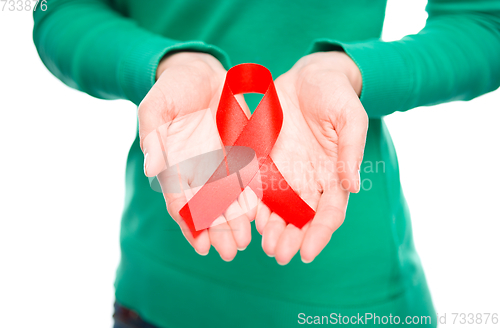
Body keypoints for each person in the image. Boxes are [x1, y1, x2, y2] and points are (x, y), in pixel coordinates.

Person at [33, 1, 500, 327]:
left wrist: (350, 70)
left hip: (347, 297)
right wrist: (168, 63)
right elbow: (58, 9)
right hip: (155, 289)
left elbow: (484, 22)